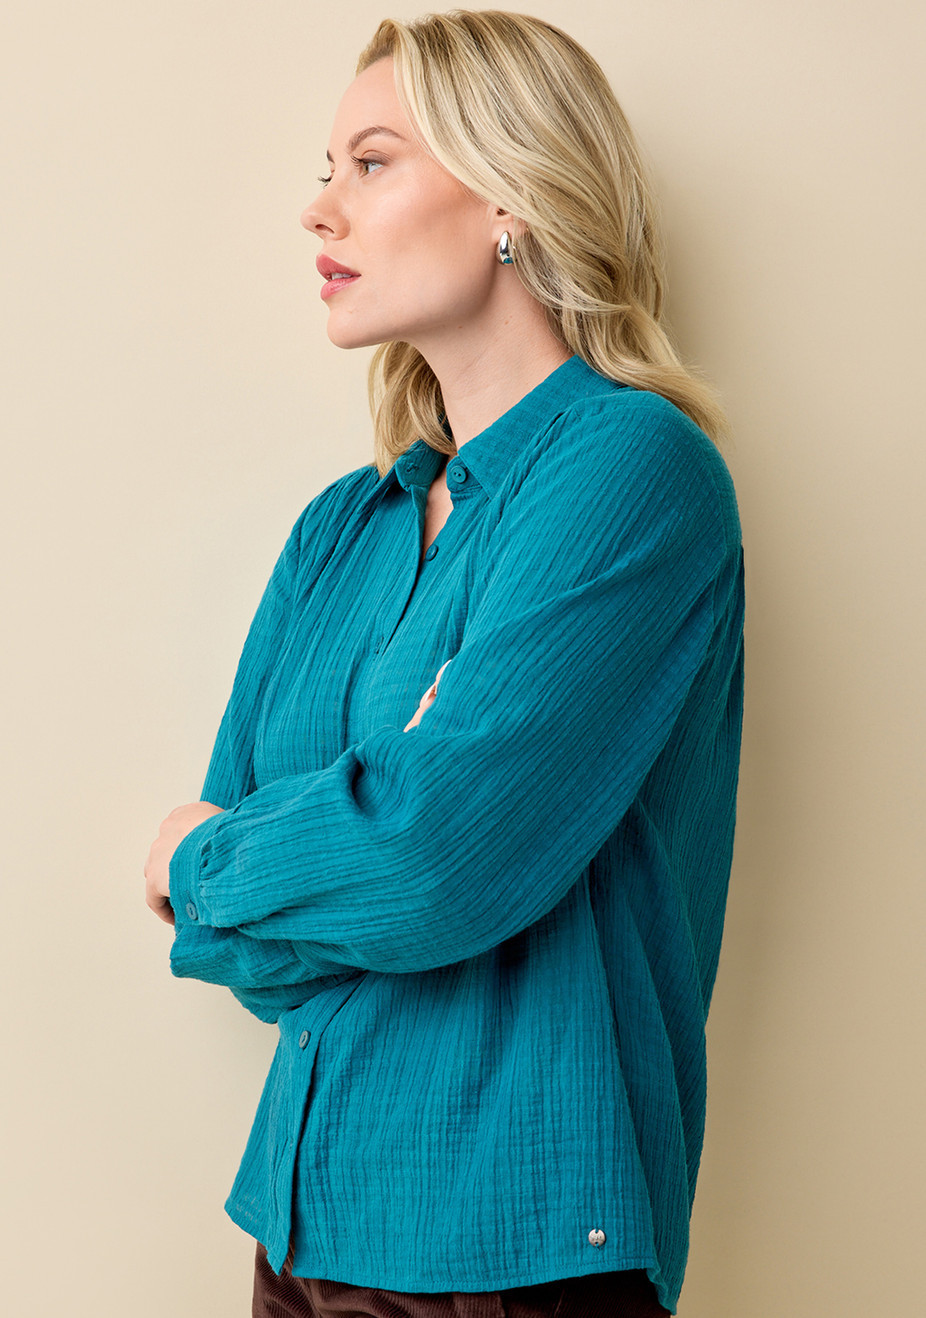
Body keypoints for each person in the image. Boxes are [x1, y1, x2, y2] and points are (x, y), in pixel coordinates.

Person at [144, 11, 744, 1317]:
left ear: (511, 197)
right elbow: (249, 948)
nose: (319, 209)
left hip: (522, 1244)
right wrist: (298, 864)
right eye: (327, 169)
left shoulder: (634, 470)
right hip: (302, 1220)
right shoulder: (340, 528)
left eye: (370, 163)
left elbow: (433, 861)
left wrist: (201, 861)